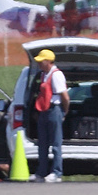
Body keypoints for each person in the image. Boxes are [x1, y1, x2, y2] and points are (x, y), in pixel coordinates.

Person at [31, 48, 69, 183]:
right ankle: (41, 172)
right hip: (44, 111)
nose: (39, 64)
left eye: (42, 61)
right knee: (42, 143)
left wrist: (64, 112)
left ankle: (57, 172)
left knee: (56, 144)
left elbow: (65, 96)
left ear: (48, 61)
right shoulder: (43, 75)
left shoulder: (57, 75)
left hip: (54, 110)